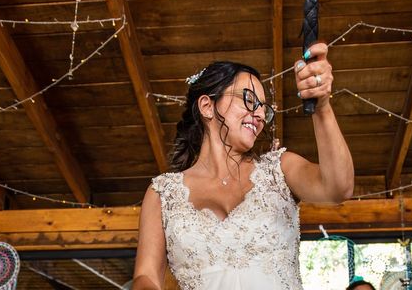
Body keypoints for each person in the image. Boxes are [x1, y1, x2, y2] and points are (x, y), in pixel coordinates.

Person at [133, 43, 354, 289]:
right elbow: (146, 277)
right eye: (249, 99)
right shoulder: (163, 194)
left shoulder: (280, 170)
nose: (259, 114)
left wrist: (321, 106)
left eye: (263, 108)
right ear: (207, 106)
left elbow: (338, 188)